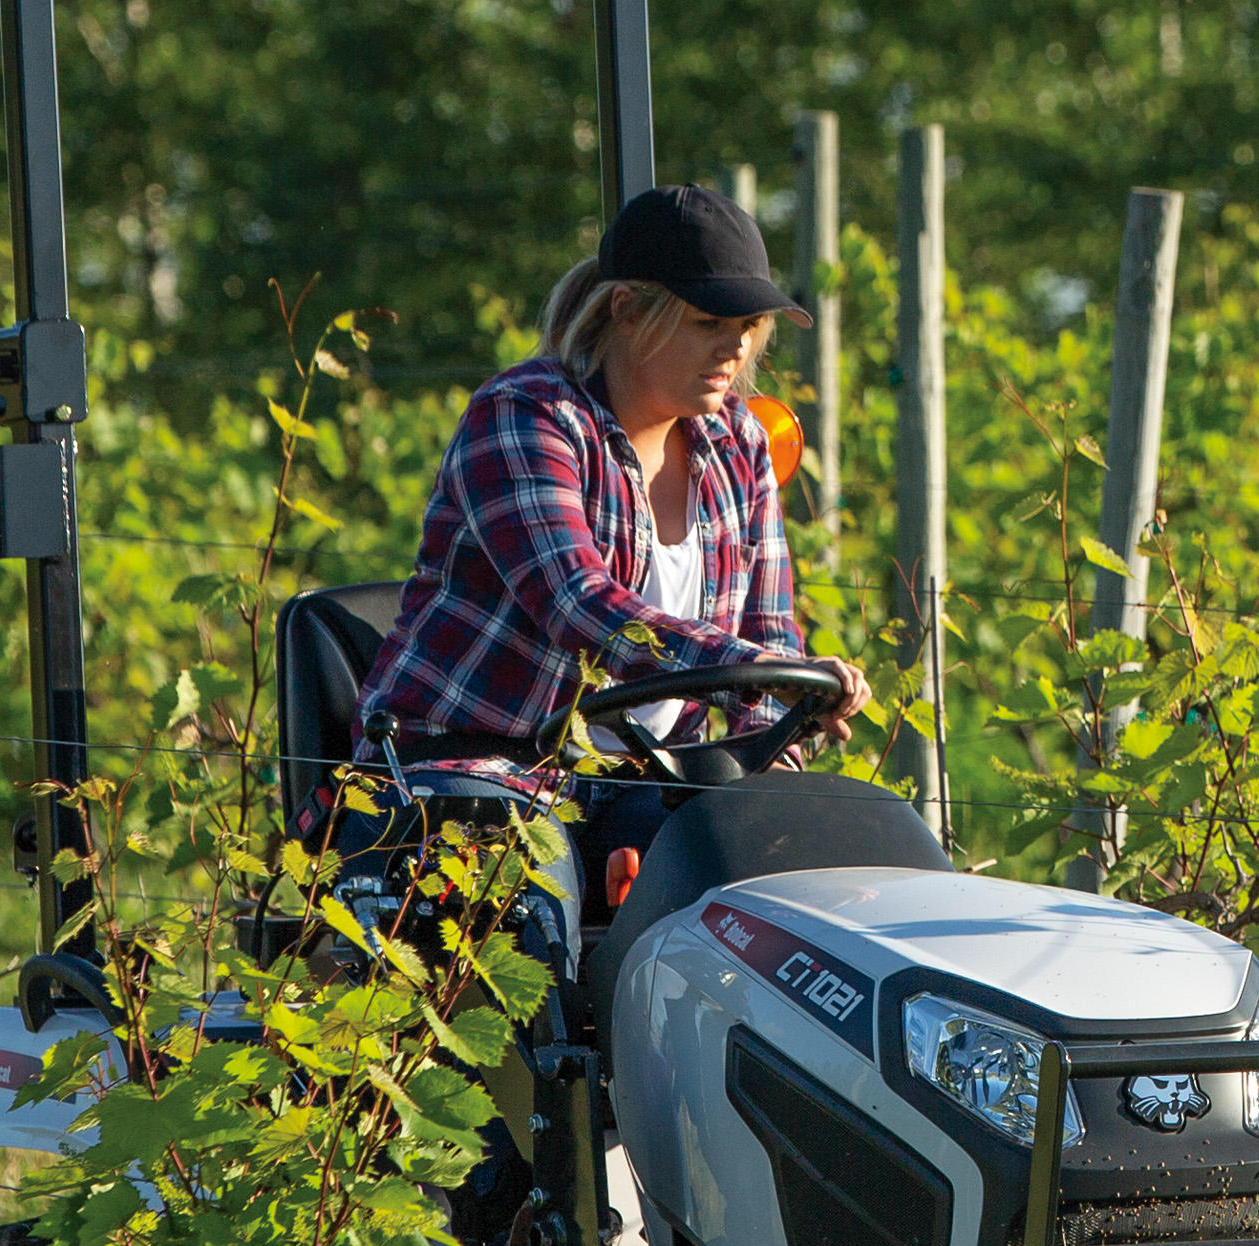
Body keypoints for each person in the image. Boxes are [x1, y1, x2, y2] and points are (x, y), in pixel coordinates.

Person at [337, 182, 870, 967]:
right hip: (475, 770)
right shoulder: (526, 417)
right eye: (708, 323)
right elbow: (580, 606)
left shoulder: (740, 446)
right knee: (530, 913)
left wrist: (780, 748)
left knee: (813, 903)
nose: (734, 349)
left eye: (747, 328)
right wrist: (746, 668)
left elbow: (770, 636)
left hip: (648, 780)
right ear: (626, 310)